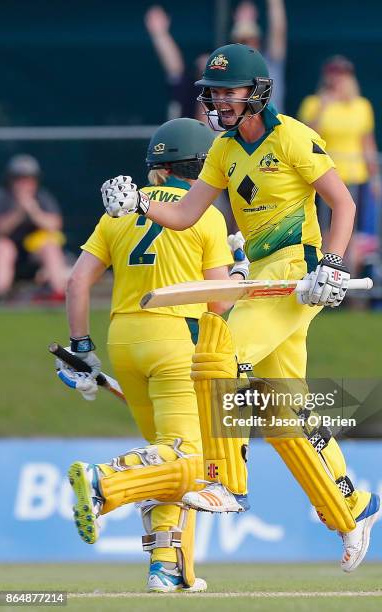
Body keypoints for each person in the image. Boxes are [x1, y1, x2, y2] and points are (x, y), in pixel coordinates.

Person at [101, 44, 380, 573]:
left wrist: (334, 265)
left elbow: (343, 203)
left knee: (219, 355)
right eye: (214, 92)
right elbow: (183, 213)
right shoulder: (224, 151)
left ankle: (224, 481)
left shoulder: (293, 135)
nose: (218, 101)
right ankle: (352, 507)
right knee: (282, 414)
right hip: (261, 273)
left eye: (228, 92)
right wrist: (140, 201)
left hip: (298, 273)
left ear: (256, 93)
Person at [59, 118, 238, 592]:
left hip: (124, 339)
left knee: (172, 461)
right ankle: (105, 482)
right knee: (191, 459)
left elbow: (77, 281)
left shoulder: (118, 211)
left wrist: (80, 350)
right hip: (178, 336)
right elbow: (220, 302)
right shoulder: (208, 214)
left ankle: (166, 567)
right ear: (201, 166)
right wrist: (240, 274)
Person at [297, 56, 382, 276]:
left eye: (342, 74)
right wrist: (322, 108)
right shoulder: (313, 103)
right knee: (324, 231)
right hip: (323, 177)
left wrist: (376, 178)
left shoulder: (362, 106)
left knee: (353, 233)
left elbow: (367, 144)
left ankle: (346, 283)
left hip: (356, 178)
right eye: (332, 73)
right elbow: (303, 137)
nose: (337, 79)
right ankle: (323, 277)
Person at [0, 154, 67, 301]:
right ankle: (0, 293)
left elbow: (55, 225)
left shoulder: (42, 197)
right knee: (4, 248)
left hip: (34, 258)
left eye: (28, 179)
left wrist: (33, 211)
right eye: (19, 179)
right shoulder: (2, 197)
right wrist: (18, 212)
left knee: (49, 246)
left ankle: (58, 291)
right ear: (11, 180)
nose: (24, 183)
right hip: (7, 257)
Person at [231, 0, 287, 112]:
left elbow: (278, 29)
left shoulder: (270, 61)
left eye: (250, 39)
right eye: (242, 40)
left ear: (257, 41)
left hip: (272, 127)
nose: (246, 44)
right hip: (240, 126)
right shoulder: (229, 66)